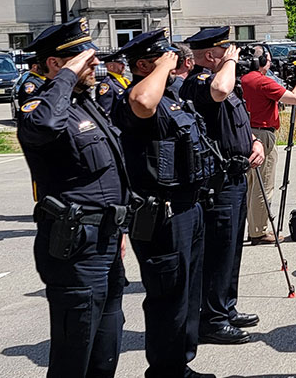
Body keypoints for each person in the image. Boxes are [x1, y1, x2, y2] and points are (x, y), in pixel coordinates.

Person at [17, 18, 129, 378]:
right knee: (74, 350)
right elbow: (45, 126)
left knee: (106, 346)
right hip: (75, 248)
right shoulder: (39, 107)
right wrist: (66, 76)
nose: (94, 63)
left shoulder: (84, 104)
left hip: (107, 240)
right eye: (84, 57)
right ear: (54, 63)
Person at [111, 29, 216, 378]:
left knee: (187, 291)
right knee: (168, 295)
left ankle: (180, 364)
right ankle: (166, 371)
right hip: (162, 212)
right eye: (161, 57)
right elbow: (143, 102)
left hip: (189, 205)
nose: (170, 61)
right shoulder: (136, 97)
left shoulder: (171, 97)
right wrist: (160, 69)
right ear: (143, 65)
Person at [179, 27, 266, 345]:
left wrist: (253, 142)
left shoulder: (225, 81)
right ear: (212, 54)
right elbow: (217, 92)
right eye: (226, 50)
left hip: (236, 174)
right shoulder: (201, 82)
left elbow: (235, 121)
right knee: (218, 252)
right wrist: (228, 62)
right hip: (217, 182)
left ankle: (225, 308)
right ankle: (212, 319)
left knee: (231, 250)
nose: (234, 54)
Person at [240, 44, 296, 244]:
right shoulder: (262, 82)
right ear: (259, 62)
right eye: (268, 59)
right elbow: (295, 98)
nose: (270, 63)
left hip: (246, 134)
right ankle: (259, 232)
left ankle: (254, 228)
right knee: (264, 185)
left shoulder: (241, 80)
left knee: (252, 185)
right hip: (263, 135)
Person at [97, 51, 130, 115]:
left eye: (123, 63)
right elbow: (105, 111)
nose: (123, 65)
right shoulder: (107, 84)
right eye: (120, 63)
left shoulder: (124, 80)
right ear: (111, 67)